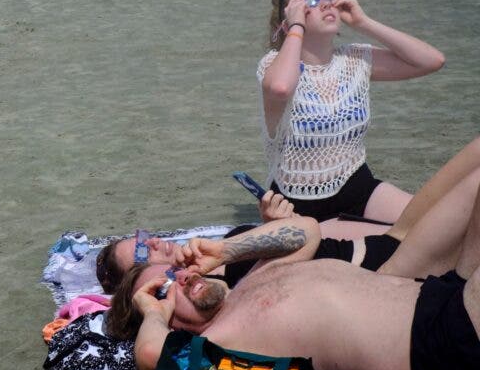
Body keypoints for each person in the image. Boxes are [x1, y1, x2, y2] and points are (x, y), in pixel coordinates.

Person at [106, 148, 480, 370]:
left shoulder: (249, 285)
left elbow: (306, 232)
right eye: (166, 290)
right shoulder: (222, 350)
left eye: (175, 273)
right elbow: (154, 357)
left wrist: (225, 251)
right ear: (169, 325)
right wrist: (152, 312)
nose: (182, 279)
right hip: (442, 344)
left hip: (439, 292)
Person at [97, 135, 480, 294]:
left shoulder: (206, 253)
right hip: (391, 264)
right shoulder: (209, 291)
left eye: (144, 237)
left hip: (389, 238)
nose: (156, 242)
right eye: (145, 253)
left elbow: (291, 251)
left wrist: (270, 226)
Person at [259, 0, 444, 230]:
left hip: (357, 185)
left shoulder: (354, 59)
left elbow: (432, 61)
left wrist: (363, 22)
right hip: (297, 204)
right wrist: (295, 26)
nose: (325, 4)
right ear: (288, 19)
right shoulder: (273, 65)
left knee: (440, 225)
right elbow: (281, 88)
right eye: (310, 2)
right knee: (389, 242)